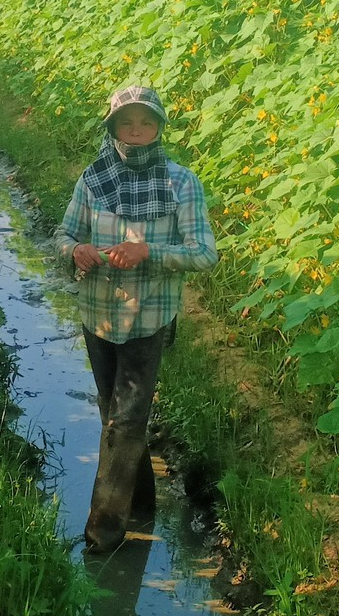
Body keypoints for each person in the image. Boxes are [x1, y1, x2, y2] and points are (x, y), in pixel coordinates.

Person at [55, 85, 218, 553]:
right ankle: (143, 500)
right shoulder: (93, 180)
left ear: (159, 127)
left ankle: (102, 534)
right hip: (99, 317)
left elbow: (205, 254)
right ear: (112, 128)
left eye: (146, 122)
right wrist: (76, 251)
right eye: (127, 123)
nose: (137, 131)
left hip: (149, 319)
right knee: (115, 414)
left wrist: (150, 252)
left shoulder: (180, 183)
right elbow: (64, 235)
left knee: (124, 424)